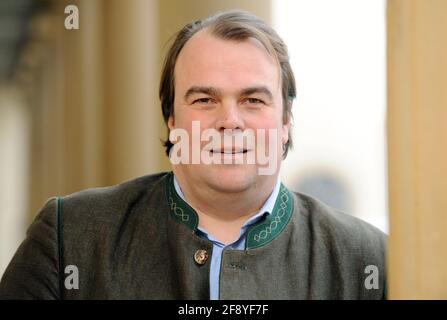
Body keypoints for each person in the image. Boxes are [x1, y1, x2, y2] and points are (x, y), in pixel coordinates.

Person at [0, 10, 386, 300]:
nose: (229, 121)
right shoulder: (71, 238)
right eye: (204, 99)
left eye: (253, 100)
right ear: (171, 119)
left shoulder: (367, 260)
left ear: (285, 122)